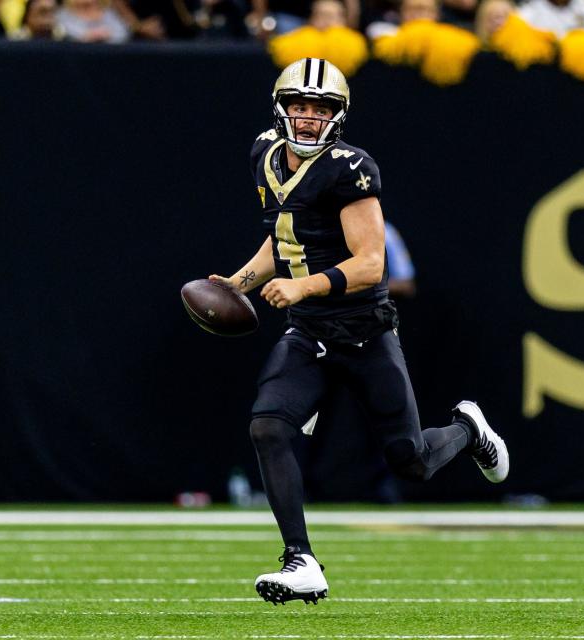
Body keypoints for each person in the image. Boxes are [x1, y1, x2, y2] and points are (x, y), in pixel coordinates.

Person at [208, 57, 510, 605]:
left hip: (365, 332)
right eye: (298, 105)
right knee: (268, 428)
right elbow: (283, 240)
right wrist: (241, 282)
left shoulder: (350, 167)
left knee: (411, 461)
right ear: (281, 109)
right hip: (309, 333)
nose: (306, 117)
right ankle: (301, 560)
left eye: (319, 107)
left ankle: (468, 431)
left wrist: (305, 287)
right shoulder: (265, 155)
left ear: (337, 115)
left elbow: (373, 264)